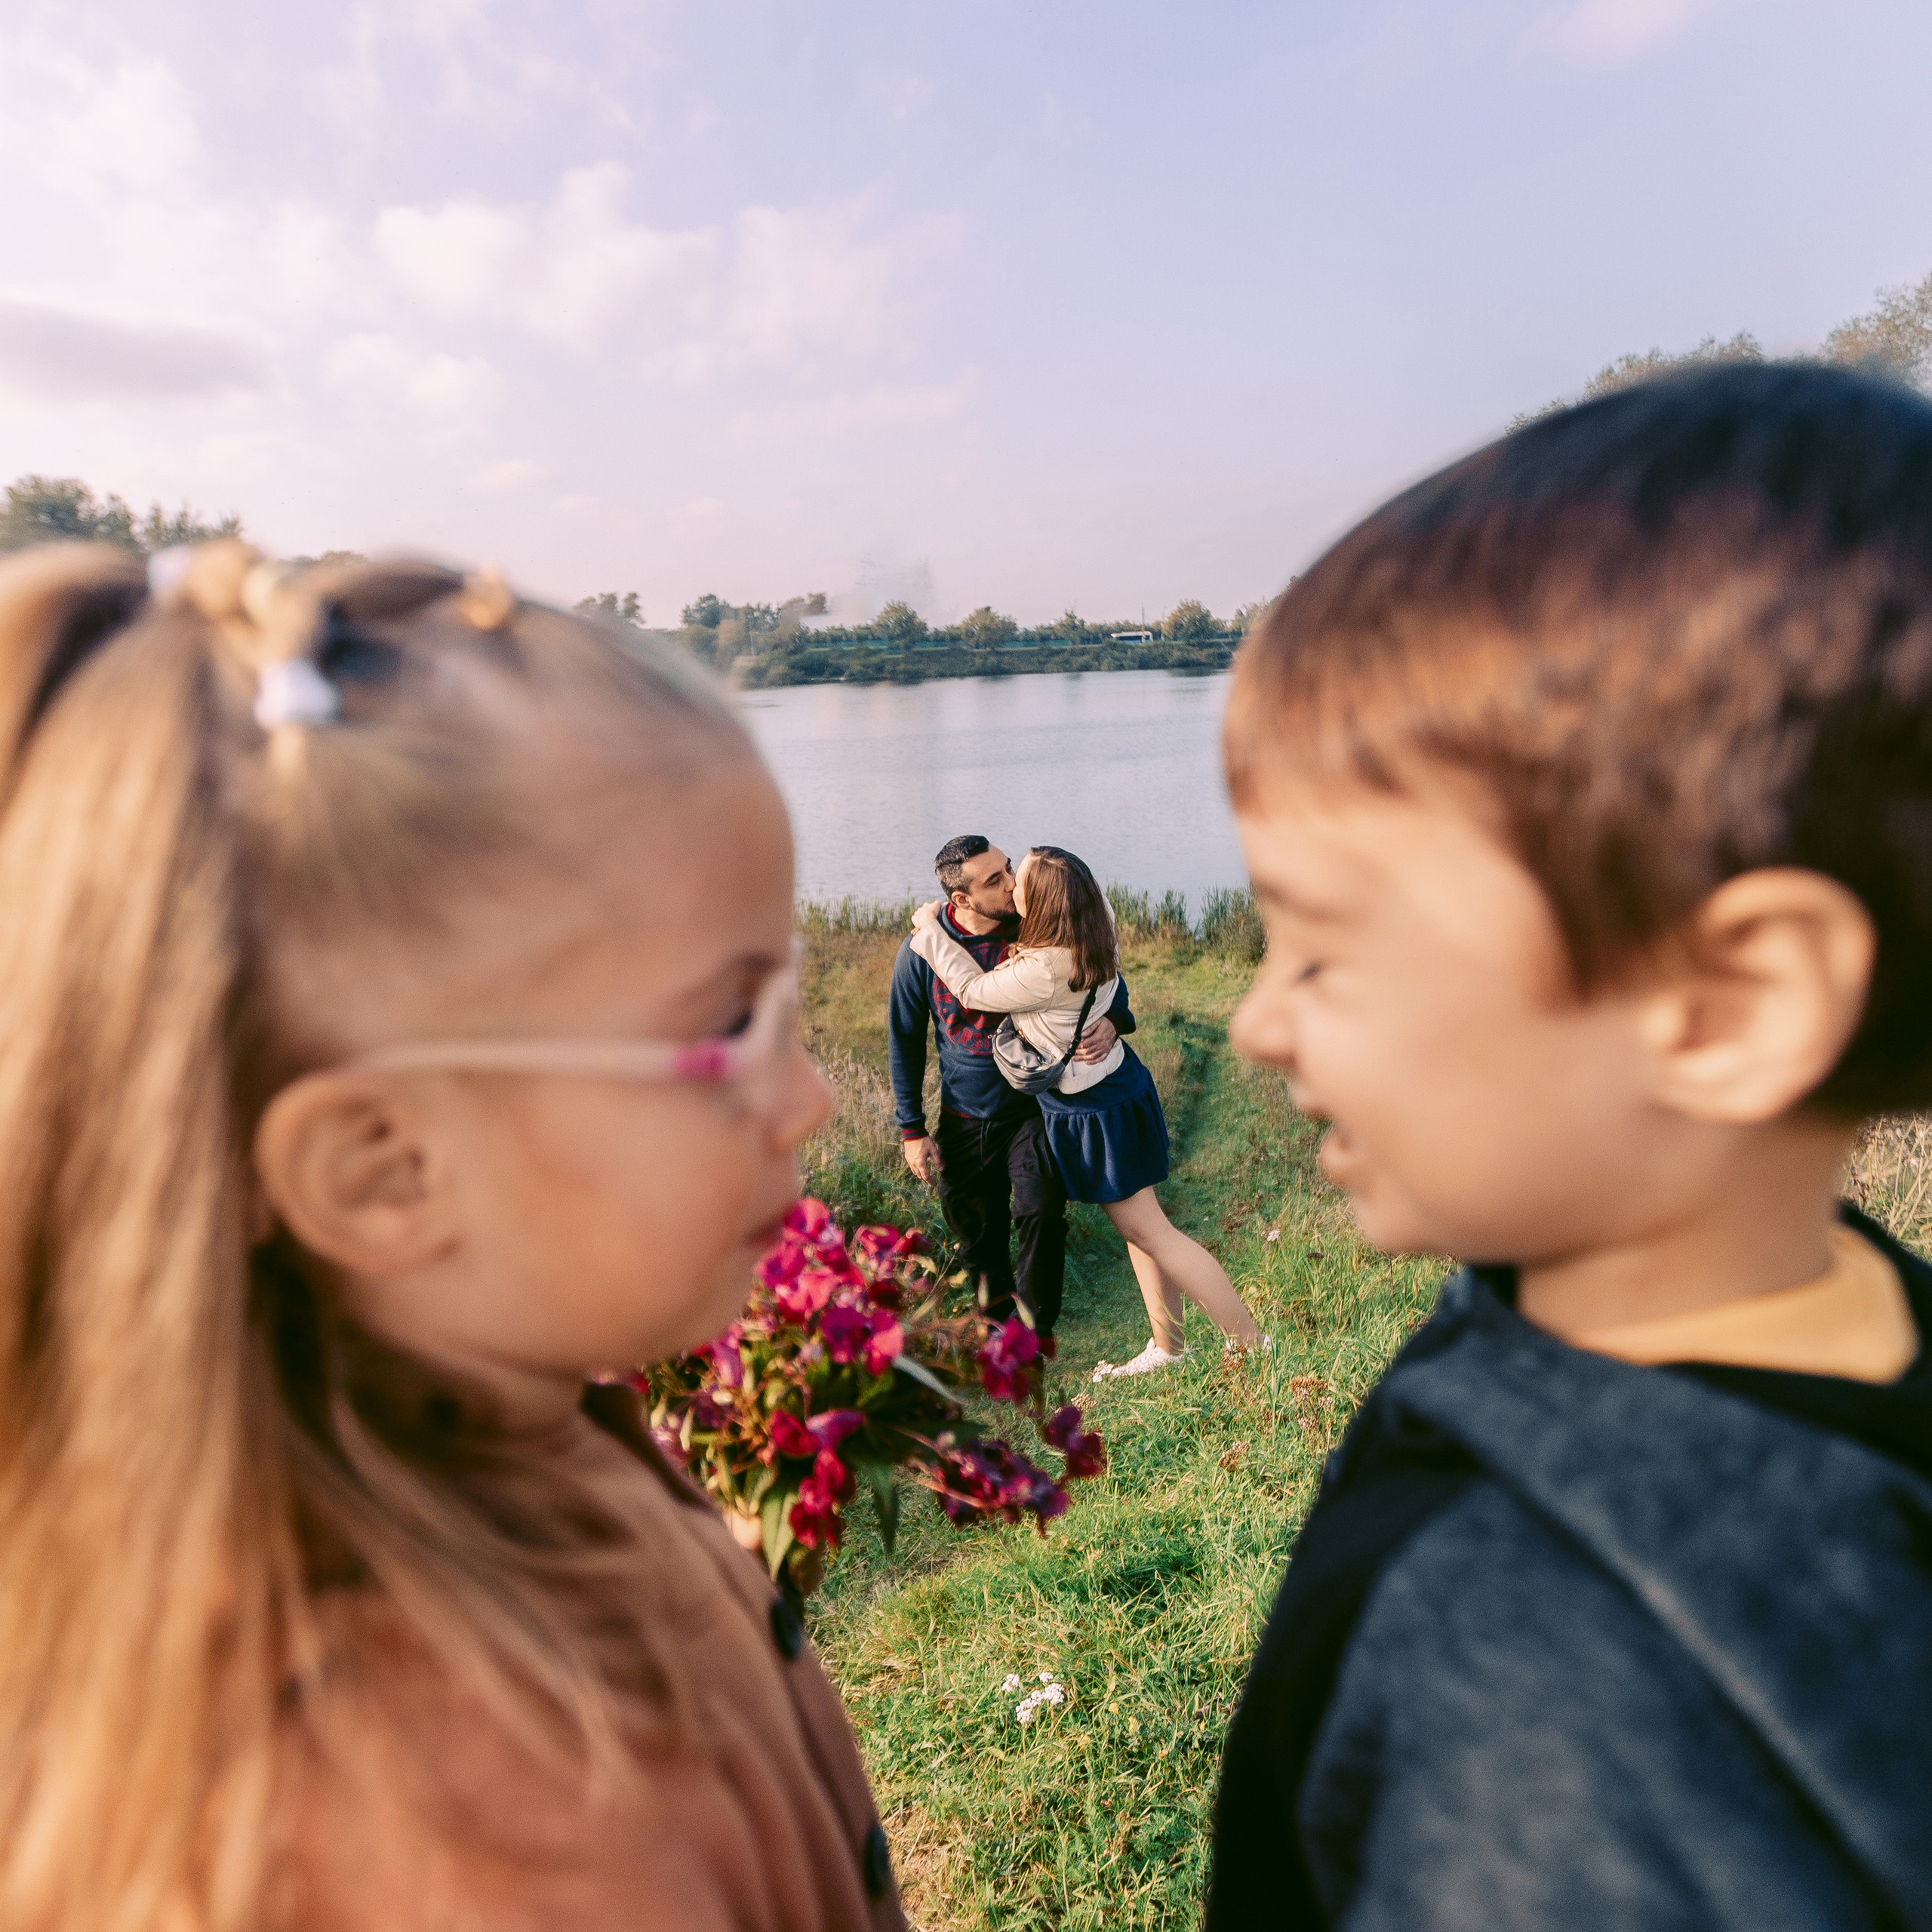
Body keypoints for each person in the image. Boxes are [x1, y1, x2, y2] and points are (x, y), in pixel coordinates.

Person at [0, 540, 903, 1931]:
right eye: (730, 1026)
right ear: (382, 1173)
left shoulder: (510, 1438)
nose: (811, 1096)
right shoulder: (474, 1838)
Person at [1208, 362, 1932, 1929]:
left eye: (1321, 951)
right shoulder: (1817, 1319)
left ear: (1725, 1001)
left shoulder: (1562, 1707)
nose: (1256, 1025)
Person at [910, 845, 1263, 1377]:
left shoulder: (1048, 966)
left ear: (1044, 905)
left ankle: (1253, 1343)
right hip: (1121, 1083)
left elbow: (973, 990)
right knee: (1143, 1231)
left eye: (1019, 882)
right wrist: (1109, 1019)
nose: (1010, 887)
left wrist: (928, 929)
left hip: (1095, 1108)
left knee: (1155, 1233)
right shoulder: (1097, 917)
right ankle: (1168, 1346)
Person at [888, 833, 1133, 1341]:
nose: (1012, 884)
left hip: (1035, 1108)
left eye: (1008, 868)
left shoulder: (1035, 925)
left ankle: (1033, 1335)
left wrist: (1115, 1018)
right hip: (964, 1117)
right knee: (977, 1237)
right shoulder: (919, 954)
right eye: (994, 880)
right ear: (961, 900)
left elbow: (1100, 969)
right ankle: (996, 1332)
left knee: (1040, 1213)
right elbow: (905, 1038)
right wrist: (912, 1127)